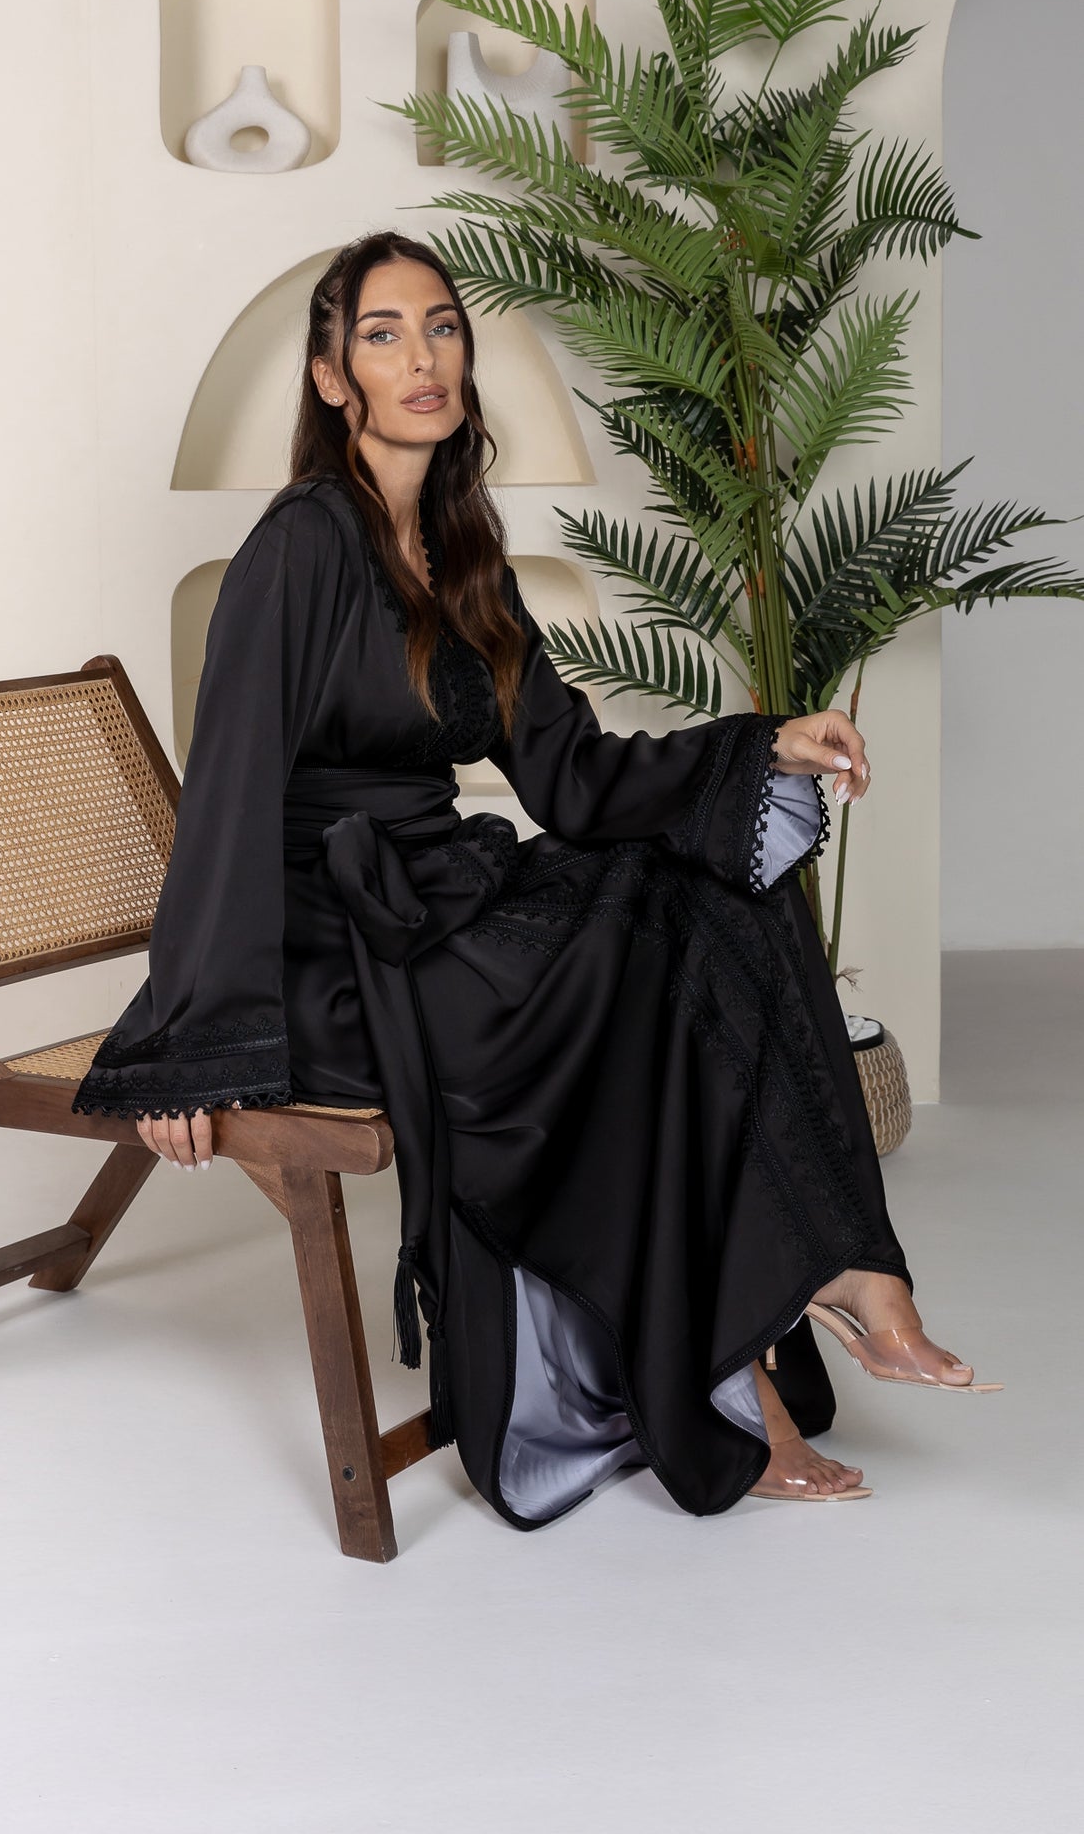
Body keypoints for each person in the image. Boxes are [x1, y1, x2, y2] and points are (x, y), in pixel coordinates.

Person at [73, 230, 998, 1525]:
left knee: (715, 893)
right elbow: (224, 796)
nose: (422, 357)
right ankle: (759, 1355)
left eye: (441, 326)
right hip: (333, 951)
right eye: (384, 334)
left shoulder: (461, 550)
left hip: (443, 900)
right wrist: (189, 1050)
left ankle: (831, 1280)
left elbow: (570, 775)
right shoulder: (297, 547)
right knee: (635, 970)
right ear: (332, 376)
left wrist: (758, 745)